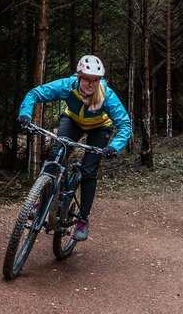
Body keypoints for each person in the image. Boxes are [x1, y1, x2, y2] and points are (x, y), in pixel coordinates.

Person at [17, 55, 132, 241]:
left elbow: (125, 124)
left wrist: (114, 146)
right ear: (78, 77)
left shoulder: (108, 96)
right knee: (56, 156)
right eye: (87, 79)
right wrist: (25, 114)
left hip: (100, 128)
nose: (91, 84)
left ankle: (83, 219)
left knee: (88, 172)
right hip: (73, 121)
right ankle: (41, 200)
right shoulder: (67, 86)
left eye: (95, 80)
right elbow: (34, 94)